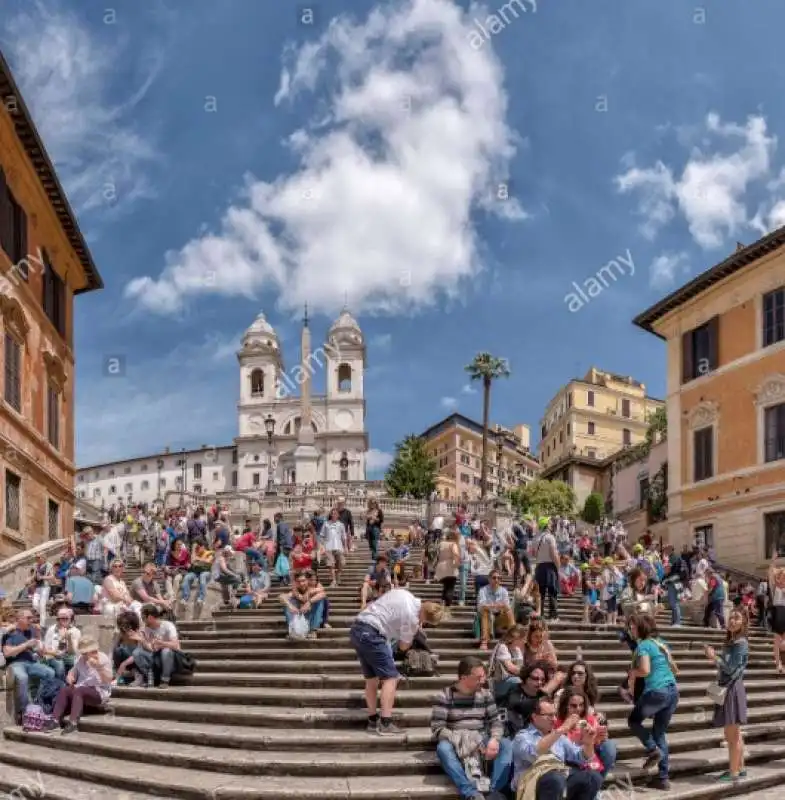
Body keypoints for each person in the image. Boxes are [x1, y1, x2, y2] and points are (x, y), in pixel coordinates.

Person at [349, 588, 445, 735]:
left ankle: (372, 720)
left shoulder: (404, 593)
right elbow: (403, 646)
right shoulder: (412, 619)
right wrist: (414, 630)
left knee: (372, 679)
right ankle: (386, 723)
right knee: (390, 678)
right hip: (373, 634)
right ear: (425, 618)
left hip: (358, 627)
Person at [430, 655, 512, 800]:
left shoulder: (486, 694)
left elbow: (496, 721)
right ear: (463, 678)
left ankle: (492, 790)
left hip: (481, 736)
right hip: (455, 739)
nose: (483, 680)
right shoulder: (445, 696)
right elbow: (438, 728)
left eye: (484, 676)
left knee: (506, 745)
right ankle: (470, 792)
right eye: (478, 677)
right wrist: (462, 740)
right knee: (443, 749)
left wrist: (494, 739)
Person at [626, 612, 679, 791]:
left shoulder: (644, 645)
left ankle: (652, 749)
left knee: (633, 721)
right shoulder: (661, 643)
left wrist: (633, 672)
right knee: (659, 733)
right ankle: (663, 778)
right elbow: (675, 667)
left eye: (633, 626)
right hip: (672, 691)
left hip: (657, 691)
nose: (630, 629)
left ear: (641, 627)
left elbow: (645, 670)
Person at [511, 695, 603, 800]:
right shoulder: (522, 737)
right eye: (549, 715)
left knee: (593, 777)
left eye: (555, 715)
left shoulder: (559, 737)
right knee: (555, 779)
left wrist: (588, 743)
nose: (554, 719)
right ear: (534, 717)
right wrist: (562, 729)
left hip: (559, 780)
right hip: (532, 783)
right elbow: (534, 752)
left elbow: (582, 758)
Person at [705, 608, 749, 782]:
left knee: (732, 735)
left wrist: (714, 657)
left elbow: (730, 668)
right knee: (733, 732)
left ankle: (733, 773)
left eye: (736, 618)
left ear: (743, 622)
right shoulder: (733, 641)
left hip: (732, 689)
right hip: (730, 687)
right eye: (731, 616)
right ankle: (740, 767)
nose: (732, 620)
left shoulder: (740, 643)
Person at [46, 636, 112, 734]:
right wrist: (70, 676)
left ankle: (73, 723)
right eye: (83, 653)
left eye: (86, 652)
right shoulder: (80, 659)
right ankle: (55, 720)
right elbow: (73, 671)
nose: (84, 655)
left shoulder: (103, 658)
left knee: (79, 690)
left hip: (99, 691)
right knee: (65, 690)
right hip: (82, 688)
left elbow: (108, 679)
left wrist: (98, 667)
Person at [1, 609, 56, 722]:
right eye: (28, 618)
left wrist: (38, 637)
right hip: (15, 663)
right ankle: (24, 711)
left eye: (32, 618)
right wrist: (26, 644)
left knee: (50, 672)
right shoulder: (10, 632)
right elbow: (7, 653)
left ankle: (39, 704)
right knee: (22, 678)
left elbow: (39, 650)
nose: (31, 621)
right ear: (19, 619)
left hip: (31, 662)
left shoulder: (31, 630)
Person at [555, 687, 616, 777]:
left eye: (581, 705)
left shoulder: (589, 718)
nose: (578, 709)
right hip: (571, 759)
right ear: (565, 705)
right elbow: (564, 748)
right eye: (573, 705)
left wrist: (598, 737)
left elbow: (595, 741)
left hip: (589, 754)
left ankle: (597, 782)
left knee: (609, 745)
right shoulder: (559, 722)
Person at [130, 604, 182, 688]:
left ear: (150, 617)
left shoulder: (168, 626)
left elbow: (176, 646)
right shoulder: (146, 629)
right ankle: (150, 677)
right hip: (156, 658)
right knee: (137, 652)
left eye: (143, 618)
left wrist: (161, 643)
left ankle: (165, 680)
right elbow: (151, 649)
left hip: (173, 659)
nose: (142, 621)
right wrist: (142, 640)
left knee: (166, 651)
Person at [477, 570, 514, 651]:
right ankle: (484, 640)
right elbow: (481, 606)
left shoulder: (504, 591)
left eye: (499, 578)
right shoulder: (483, 590)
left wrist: (492, 605)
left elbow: (507, 606)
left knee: (509, 611)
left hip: (498, 618)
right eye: (494, 578)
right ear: (489, 579)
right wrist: (496, 605)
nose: (496, 580)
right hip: (487, 618)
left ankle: (513, 638)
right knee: (485, 611)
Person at [534, 521, 560, 622]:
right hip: (550, 566)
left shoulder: (535, 538)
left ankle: (540, 614)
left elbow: (533, 553)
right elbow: (553, 553)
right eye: (549, 523)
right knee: (552, 591)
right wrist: (558, 567)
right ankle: (553, 615)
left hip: (539, 566)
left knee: (540, 593)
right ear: (546, 525)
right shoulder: (550, 537)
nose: (551, 524)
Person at [434, 530, 461, 607]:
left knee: (446, 586)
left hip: (440, 566)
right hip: (449, 566)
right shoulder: (453, 544)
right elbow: (455, 554)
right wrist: (457, 564)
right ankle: (447, 607)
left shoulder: (441, 544)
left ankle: (443, 603)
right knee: (450, 587)